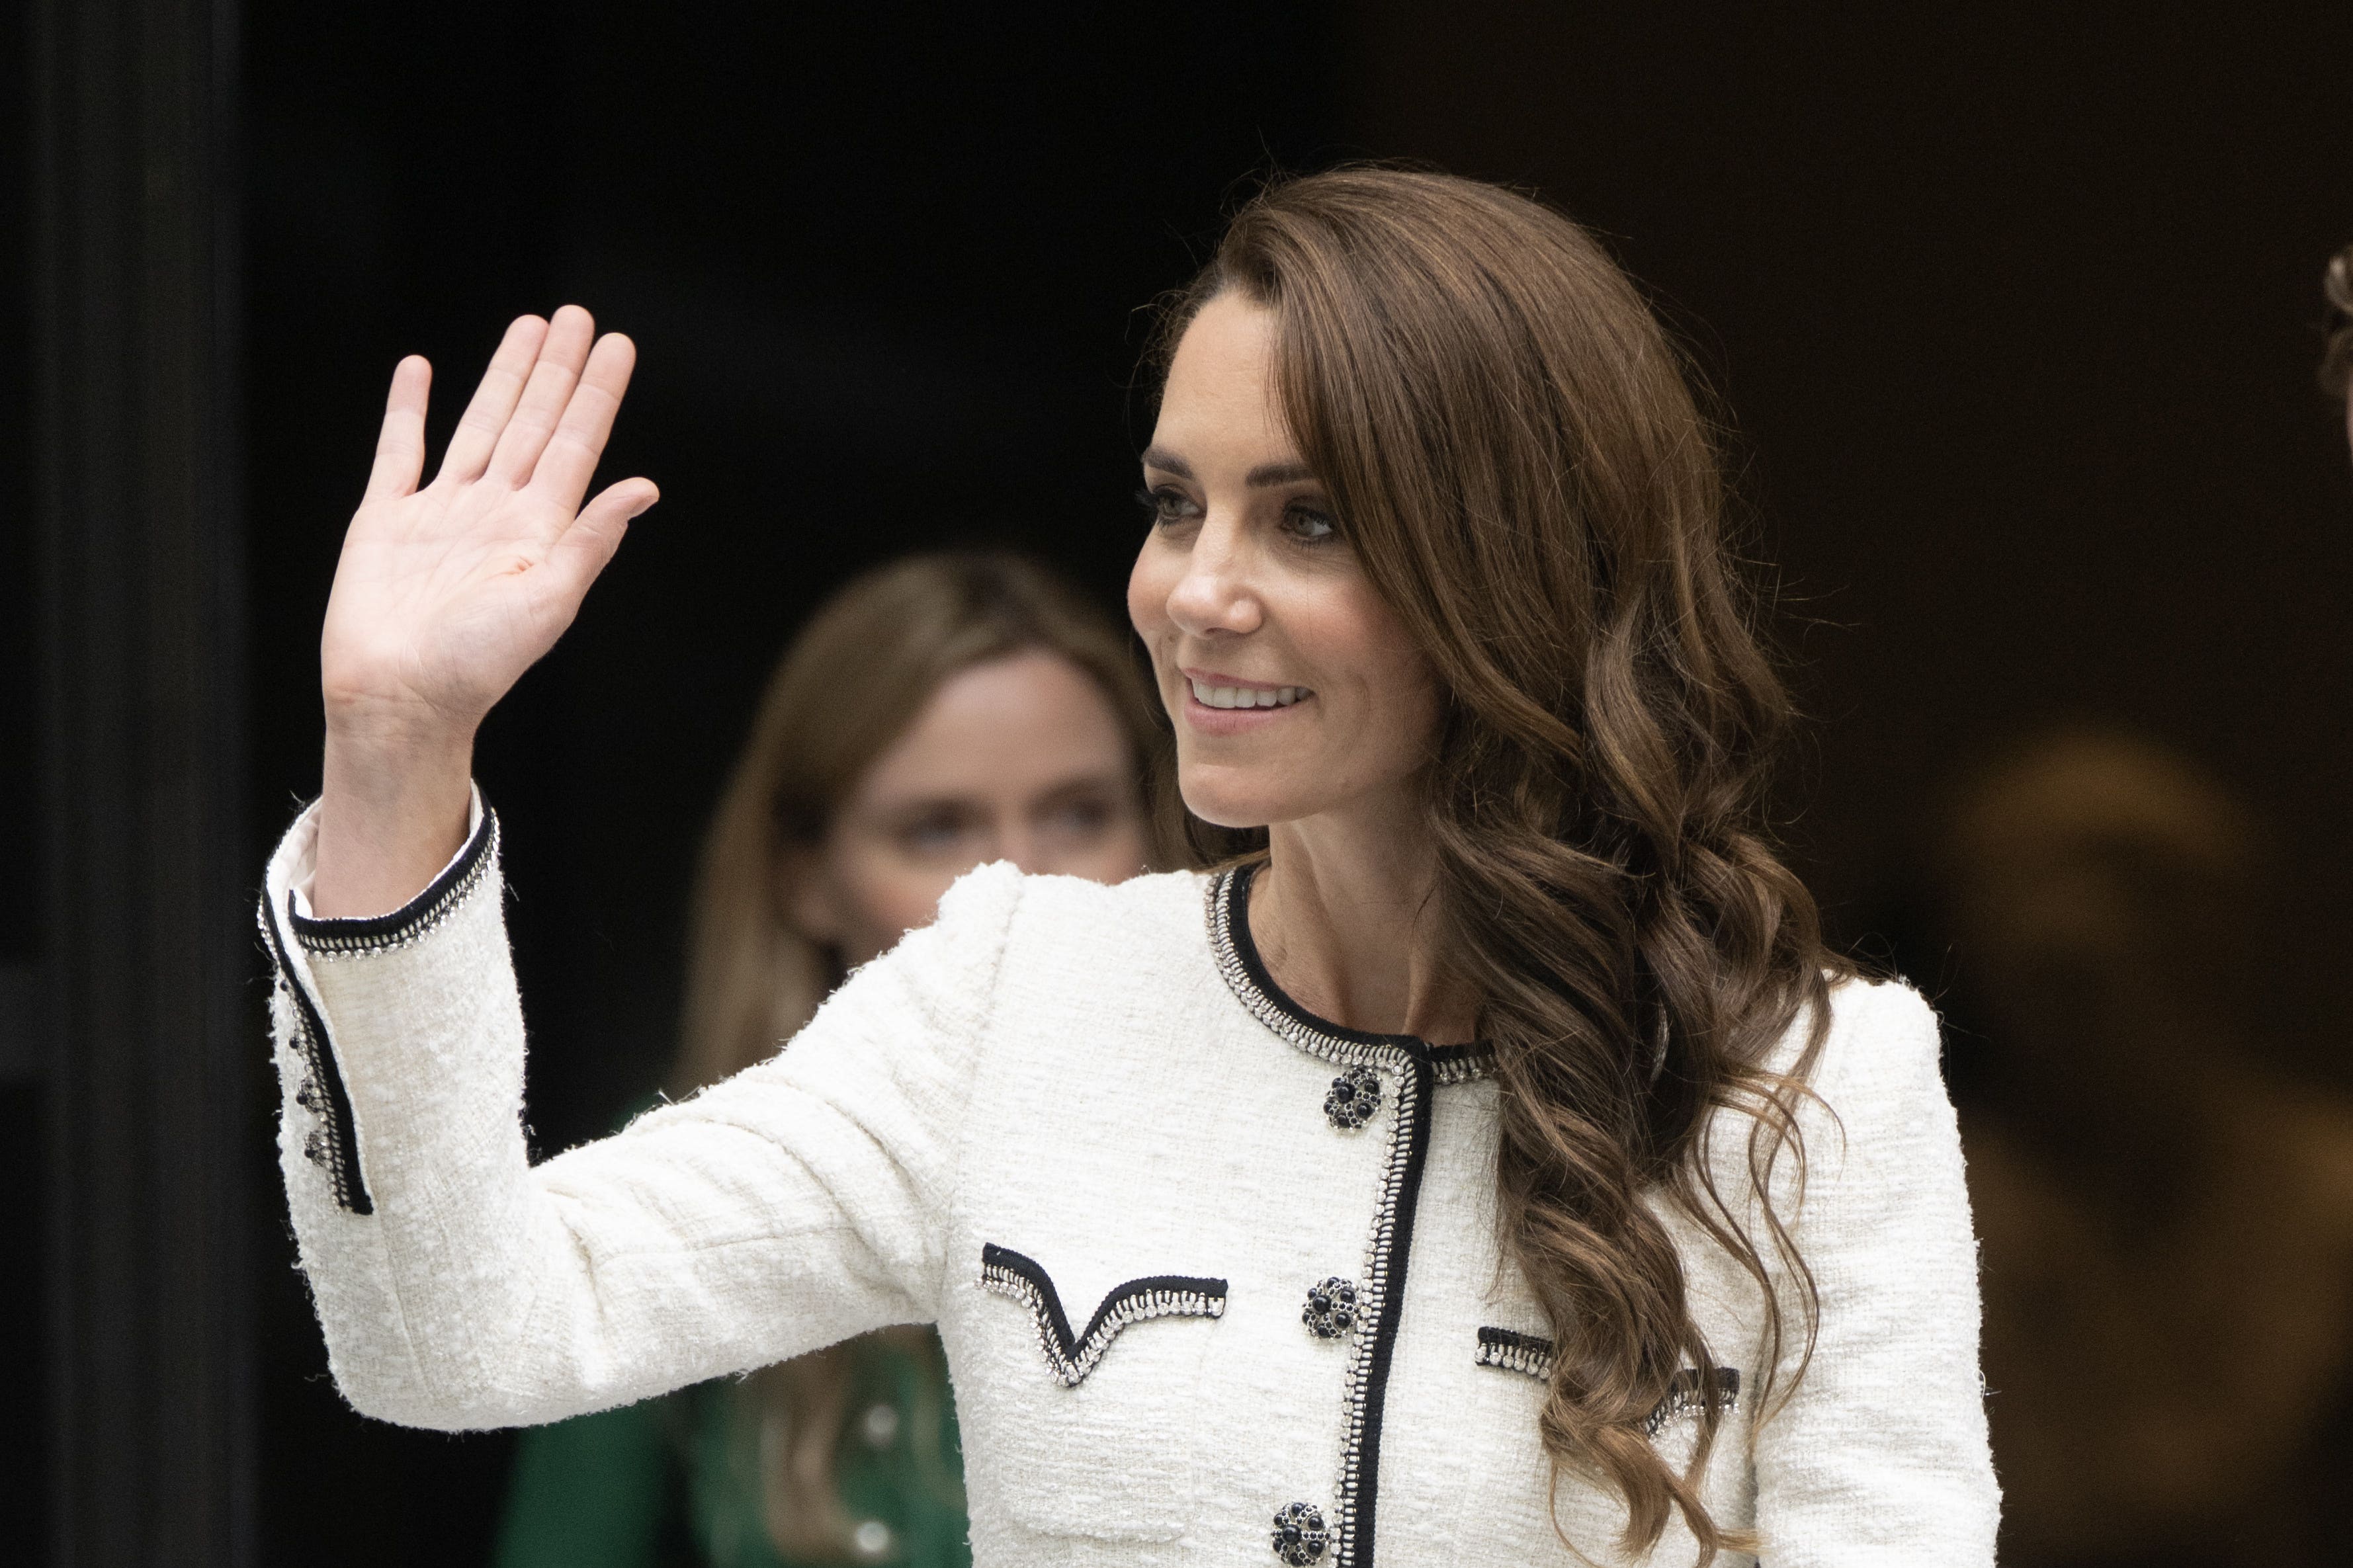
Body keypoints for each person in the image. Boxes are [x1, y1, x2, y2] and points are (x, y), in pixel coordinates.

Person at [259, 168, 1998, 1565]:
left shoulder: (1816, 1088)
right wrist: (394, 750)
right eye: (1176, 503)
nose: (1192, 588)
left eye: (1302, 516)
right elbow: (452, 1326)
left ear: (1511, 569)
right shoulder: (1011, 997)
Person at [493, 552, 1177, 1567]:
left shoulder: (1282, 1149)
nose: (1020, 883)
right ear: (806, 879)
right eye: (937, 828)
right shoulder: (692, 1188)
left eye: (1080, 812)